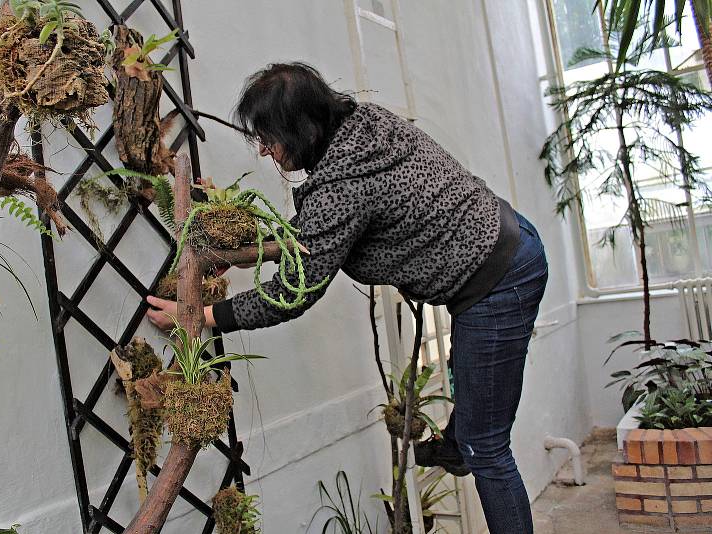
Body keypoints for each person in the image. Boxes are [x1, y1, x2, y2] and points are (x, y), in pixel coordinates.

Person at [146, 62, 548, 534]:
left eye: (269, 137)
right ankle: (460, 441)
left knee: (490, 449)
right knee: (477, 407)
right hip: (504, 242)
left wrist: (205, 316)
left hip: (499, 281)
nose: (264, 150)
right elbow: (324, 234)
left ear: (300, 130)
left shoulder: (341, 186)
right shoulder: (364, 123)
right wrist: (253, 253)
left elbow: (293, 293)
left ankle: (467, 444)